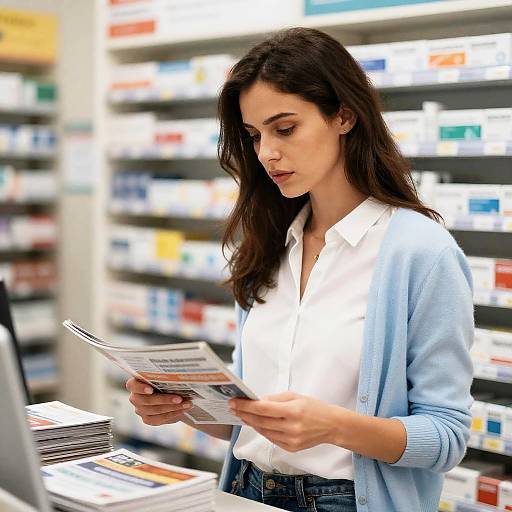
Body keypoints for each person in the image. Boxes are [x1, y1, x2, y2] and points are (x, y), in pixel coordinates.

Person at [126, 27, 474, 512]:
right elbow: (252, 425)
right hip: (246, 490)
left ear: (344, 116)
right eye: (253, 135)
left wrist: (333, 426)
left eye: (284, 128)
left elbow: (447, 438)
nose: (266, 152)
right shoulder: (270, 243)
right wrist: (183, 408)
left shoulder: (421, 252)